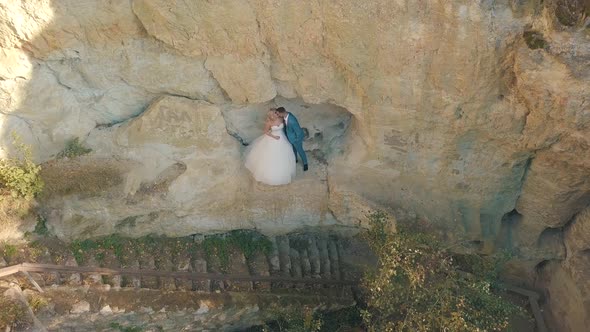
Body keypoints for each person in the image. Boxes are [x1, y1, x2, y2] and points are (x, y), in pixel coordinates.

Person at [244, 110, 296, 185]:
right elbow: (265, 131)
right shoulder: (269, 123)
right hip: (273, 138)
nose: (276, 113)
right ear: (271, 115)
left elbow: (286, 123)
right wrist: (274, 137)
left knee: (283, 154)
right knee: (270, 156)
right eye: (274, 113)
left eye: (275, 112)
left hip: (282, 138)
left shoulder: (280, 119)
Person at [274, 107, 308, 171]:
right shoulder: (286, 115)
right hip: (290, 137)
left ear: (282, 113)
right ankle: (295, 159)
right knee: (293, 149)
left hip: (296, 138)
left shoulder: (292, 121)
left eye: (278, 114)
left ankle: (305, 163)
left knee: (300, 151)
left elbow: (298, 131)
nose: (278, 115)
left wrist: (296, 140)